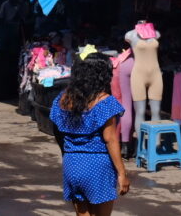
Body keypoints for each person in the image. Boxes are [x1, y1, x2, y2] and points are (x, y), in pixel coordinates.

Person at [50, 52, 130, 216]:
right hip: (98, 165)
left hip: (72, 164)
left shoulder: (62, 98)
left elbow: (56, 130)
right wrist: (122, 173)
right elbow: (110, 139)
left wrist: (68, 153)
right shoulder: (105, 101)